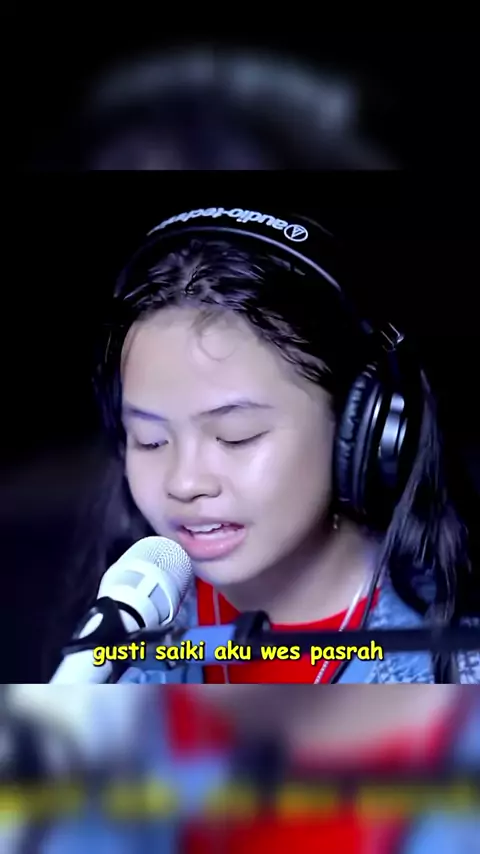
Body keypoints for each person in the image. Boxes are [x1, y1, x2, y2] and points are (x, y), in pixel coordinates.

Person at [86, 206, 479, 685]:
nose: (184, 482)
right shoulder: (124, 631)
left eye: (237, 436)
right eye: (151, 441)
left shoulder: (457, 664)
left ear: (361, 431)